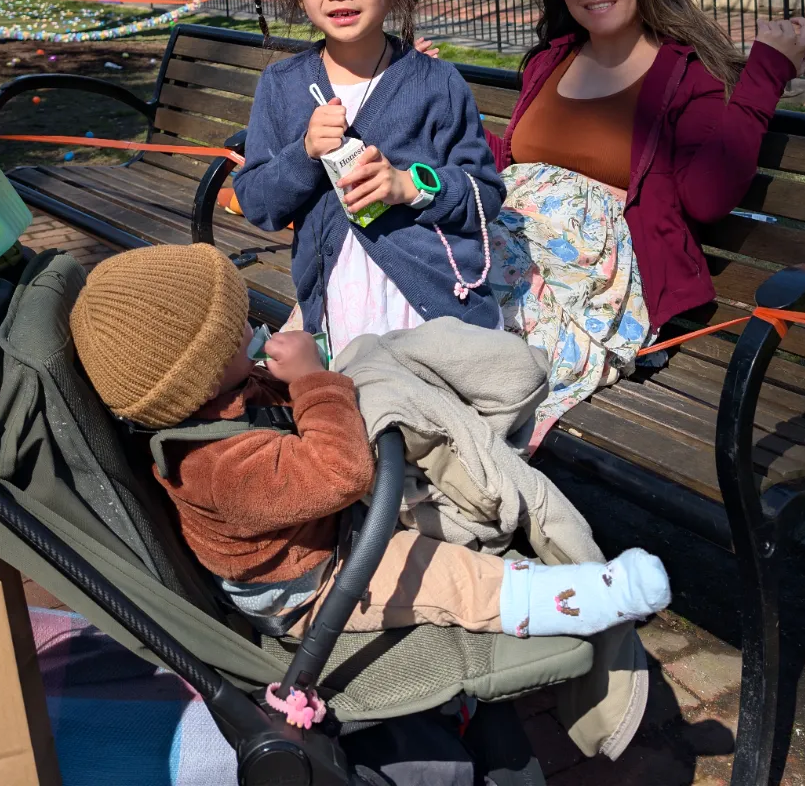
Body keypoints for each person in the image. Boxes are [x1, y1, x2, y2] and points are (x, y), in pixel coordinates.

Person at [70, 242, 671, 640]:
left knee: (376, 365)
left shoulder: (216, 401)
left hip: (325, 526)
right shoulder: (211, 465)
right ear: (196, 377)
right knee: (443, 578)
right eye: (234, 335)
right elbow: (338, 472)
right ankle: (571, 599)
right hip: (307, 588)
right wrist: (310, 382)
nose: (249, 328)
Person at [481, 0, 805, 420]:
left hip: (594, 288)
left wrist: (766, 74)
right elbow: (517, 161)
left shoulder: (685, 73)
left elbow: (706, 198)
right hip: (512, 248)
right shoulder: (552, 60)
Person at [234, 0, 506, 360]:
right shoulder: (282, 85)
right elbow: (258, 203)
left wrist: (412, 186)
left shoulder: (435, 82)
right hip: (338, 311)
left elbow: (486, 196)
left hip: (433, 308)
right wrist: (304, 154)